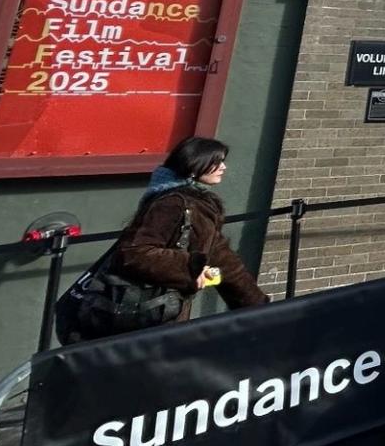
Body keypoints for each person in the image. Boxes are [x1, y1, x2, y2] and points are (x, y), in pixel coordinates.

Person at [109, 136, 267, 322]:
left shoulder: (197, 205)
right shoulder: (172, 203)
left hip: (163, 313)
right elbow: (134, 253)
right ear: (194, 164)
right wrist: (190, 268)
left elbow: (222, 258)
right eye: (217, 162)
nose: (224, 167)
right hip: (139, 314)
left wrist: (259, 307)